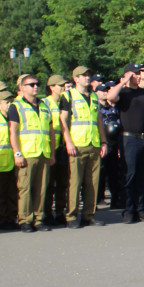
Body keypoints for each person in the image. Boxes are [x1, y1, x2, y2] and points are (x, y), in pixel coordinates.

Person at [108, 64, 144, 223]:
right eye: (134, 73)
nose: (137, 76)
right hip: (128, 138)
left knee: (143, 175)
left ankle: (140, 208)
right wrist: (124, 81)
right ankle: (128, 209)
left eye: (138, 73)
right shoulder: (123, 92)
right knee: (130, 173)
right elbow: (110, 97)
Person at [60, 66, 107, 228]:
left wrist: (103, 141)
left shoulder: (93, 96)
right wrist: (69, 141)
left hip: (93, 143)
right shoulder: (68, 96)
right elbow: (63, 120)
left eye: (88, 75)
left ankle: (89, 214)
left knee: (92, 182)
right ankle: (71, 216)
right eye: (83, 76)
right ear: (76, 79)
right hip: (77, 144)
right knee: (75, 182)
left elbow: (98, 120)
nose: (87, 78)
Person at [8, 74, 55, 232]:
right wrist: (17, 153)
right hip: (27, 153)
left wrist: (52, 153)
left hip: (43, 152)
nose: (35, 87)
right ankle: (25, 220)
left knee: (42, 188)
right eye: (31, 84)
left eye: (37, 84)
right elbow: (13, 131)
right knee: (25, 189)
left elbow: (50, 131)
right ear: (21, 88)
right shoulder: (16, 106)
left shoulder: (43, 105)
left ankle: (39, 218)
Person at [42, 74, 68, 226]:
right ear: (51, 87)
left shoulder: (65, 102)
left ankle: (60, 211)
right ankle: (47, 212)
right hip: (51, 146)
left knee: (62, 182)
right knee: (49, 182)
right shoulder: (45, 103)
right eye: (60, 85)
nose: (63, 88)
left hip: (63, 146)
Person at [0, 90, 18, 230]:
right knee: (0, 192)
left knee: (13, 192)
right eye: (6, 102)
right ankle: (2, 218)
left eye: (11, 102)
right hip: (0, 161)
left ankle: (12, 217)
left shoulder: (13, 117)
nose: (9, 105)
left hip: (12, 161)